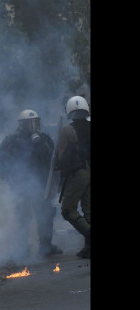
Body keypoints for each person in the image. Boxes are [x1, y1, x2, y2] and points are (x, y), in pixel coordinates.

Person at [0, 109, 62, 259]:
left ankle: (46, 246)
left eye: (34, 122)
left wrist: (39, 143)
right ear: (21, 124)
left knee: (46, 215)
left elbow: (52, 159)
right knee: (23, 218)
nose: (32, 125)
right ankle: (22, 249)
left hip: (41, 186)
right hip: (21, 187)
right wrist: (7, 179)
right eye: (29, 123)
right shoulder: (12, 141)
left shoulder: (43, 139)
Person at [56, 96, 90, 259]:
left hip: (78, 173)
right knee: (89, 211)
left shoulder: (66, 130)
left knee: (68, 210)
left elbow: (61, 157)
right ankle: (88, 249)